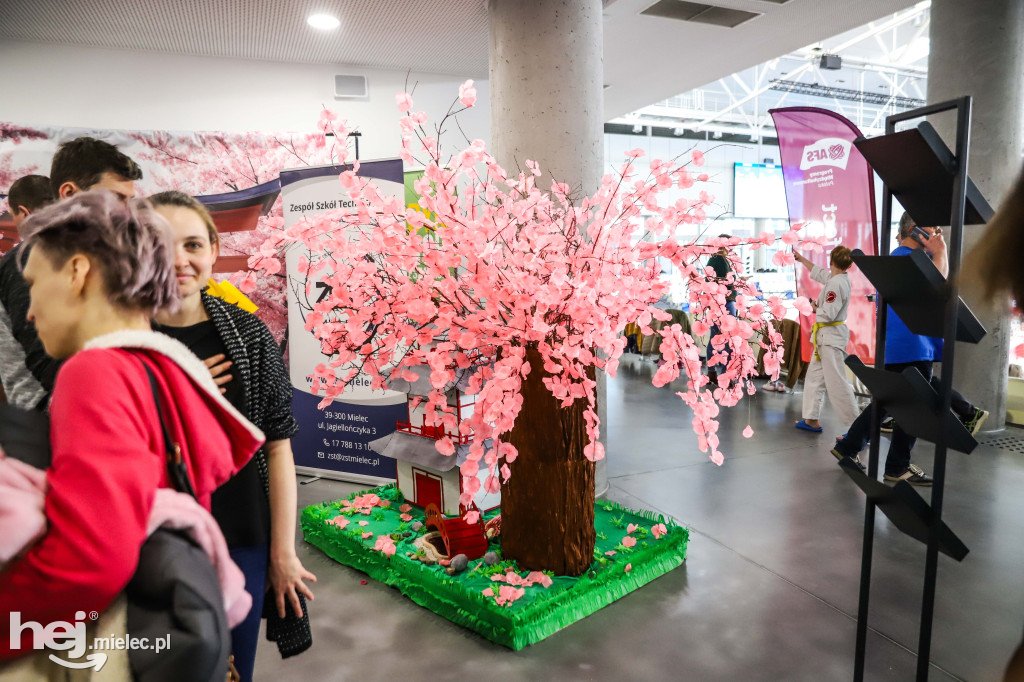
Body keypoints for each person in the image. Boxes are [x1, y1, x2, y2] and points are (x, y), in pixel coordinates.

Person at [0, 190, 264, 663]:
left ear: (78, 272)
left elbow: (90, 561)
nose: (31, 311)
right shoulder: (170, 372)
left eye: (35, 283)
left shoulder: (94, 373)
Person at [149, 191, 315, 682]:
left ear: (214, 248)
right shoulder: (124, 345)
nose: (179, 260)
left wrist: (281, 553)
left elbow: (278, 445)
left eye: (193, 245)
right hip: (153, 548)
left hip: (242, 535)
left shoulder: (246, 336)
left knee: (233, 670)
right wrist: (177, 391)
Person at [830, 212, 989, 484]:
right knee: (915, 405)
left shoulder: (899, 258)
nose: (938, 233)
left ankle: (848, 447)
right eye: (933, 227)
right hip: (913, 345)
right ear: (915, 231)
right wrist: (941, 252)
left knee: (888, 402)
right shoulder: (912, 259)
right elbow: (936, 291)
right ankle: (897, 466)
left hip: (899, 346)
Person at [0, 138, 142, 409]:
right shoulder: (36, 257)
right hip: (61, 419)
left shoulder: (103, 254)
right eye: (116, 198)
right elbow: (45, 361)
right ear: (69, 193)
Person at [0, 175, 56, 407]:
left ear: (23, 212)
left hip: (42, 403)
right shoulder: (82, 252)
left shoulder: (21, 260)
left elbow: (31, 336)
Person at [793, 245, 860, 432]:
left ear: (832, 261)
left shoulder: (837, 284)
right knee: (814, 378)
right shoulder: (836, 278)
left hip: (831, 339)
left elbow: (828, 314)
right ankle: (811, 419)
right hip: (824, 338)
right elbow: (820, 273)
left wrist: (813, 307)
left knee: (837, 383)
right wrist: (801, 259)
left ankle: (856, 428)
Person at [706, 234, 737, 383]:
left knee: (714, 339)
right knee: (727, 339)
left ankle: (711, 372)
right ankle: (725, 375)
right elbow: (724, 281)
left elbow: (710, 280)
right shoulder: (720, 259)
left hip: (716, 304)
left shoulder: (713, 258)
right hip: (725, 303)